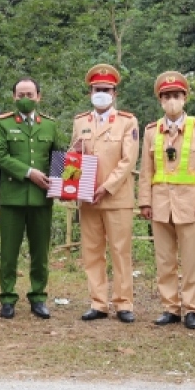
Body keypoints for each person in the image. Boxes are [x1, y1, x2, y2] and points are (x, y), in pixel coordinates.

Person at [138, 72, 195, 330]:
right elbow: (146, 170)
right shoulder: (152, 131)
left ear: (185, 98)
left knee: (191, 259)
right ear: (160, 100)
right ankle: (170, 307)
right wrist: (145, 202)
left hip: (190, 205)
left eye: (176, 95)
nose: (172, 100)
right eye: (167, 96)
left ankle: (192, 307)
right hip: (161, 204)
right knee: (164, 260)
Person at [0, 77, 67, 319]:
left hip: (42, 198)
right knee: (9, 252)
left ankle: (38, 296)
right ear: (14, 97)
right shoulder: (2, 124)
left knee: (40, 251)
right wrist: (29, 172)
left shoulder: (50, 125)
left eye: (30, 95)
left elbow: (59, 157)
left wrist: (58, 184)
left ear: (38, 97)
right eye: (21, 95)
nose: (25, 99)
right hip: (13, 196)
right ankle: (8, 298)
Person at [72, 64, 140, 323]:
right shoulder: (81, 122)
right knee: (91, 251)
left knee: (120, 251)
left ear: (114, 93)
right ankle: (98, 302)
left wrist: (106, 187)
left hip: (115, 197)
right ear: (90, 91)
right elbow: (73, 157)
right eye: (97, 89)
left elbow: (128, 160)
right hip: (87, 198)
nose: (101, 93)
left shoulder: (127, 121)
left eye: (106, 89)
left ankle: (124, 303)